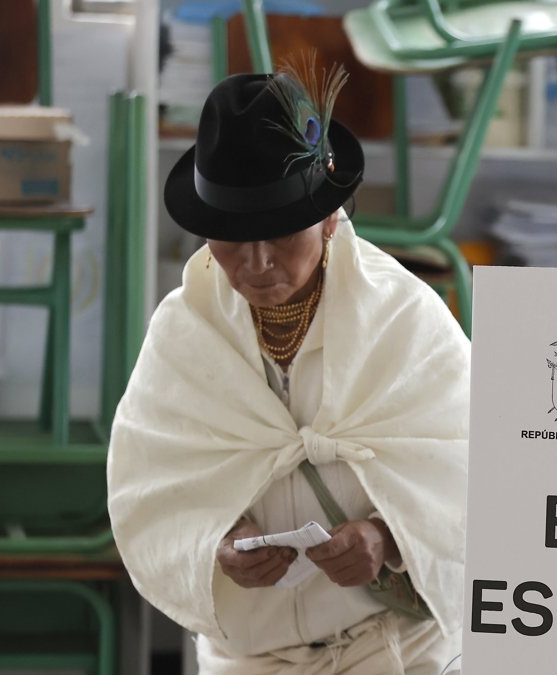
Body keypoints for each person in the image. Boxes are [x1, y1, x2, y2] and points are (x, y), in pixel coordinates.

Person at [107, 66, 469, 674]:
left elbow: (470, 465)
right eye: (230, 237)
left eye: (279, 234)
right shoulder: (184, 334)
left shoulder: (402, 319)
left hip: (393, 650)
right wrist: (216, 540)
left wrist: (388, 538)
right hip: (249, 659)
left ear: (329, 218)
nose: (256, 263)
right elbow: (150, 485)